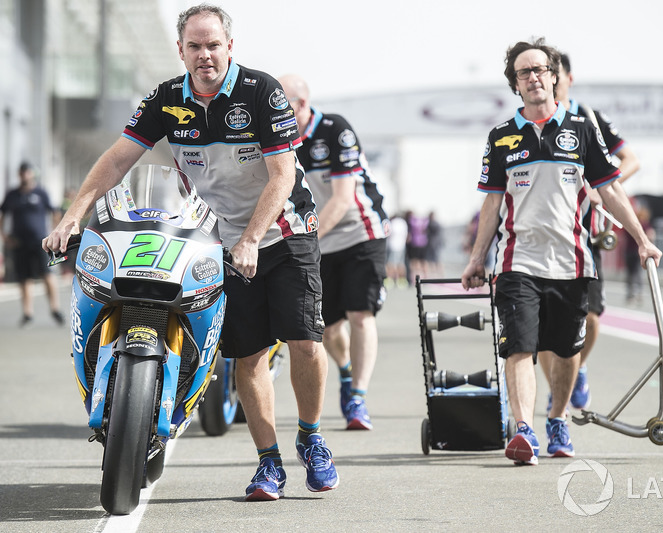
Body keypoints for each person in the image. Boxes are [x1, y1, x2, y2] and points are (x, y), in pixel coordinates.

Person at [42, 4, 338, 501]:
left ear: (229, 47)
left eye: (213, 45)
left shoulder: (261, 92)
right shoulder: (164, 99)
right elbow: (117, 159)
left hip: (284, 233)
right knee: (247, 357)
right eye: (195, 46)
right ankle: (269, 464)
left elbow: (282, 175)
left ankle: (311, 437)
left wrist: (249, 238)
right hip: (218, 241)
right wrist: (73, 215)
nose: (205, 55)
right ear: (180, 50)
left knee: (306, 343)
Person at [461, 37, 661, 465]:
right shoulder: (501, 138)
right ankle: (525, 432)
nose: (532, 78)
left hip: (572, 262)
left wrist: (642, 239)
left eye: (539, 70)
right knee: (519, 348)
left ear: (554, 76)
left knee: (568, 351)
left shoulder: (582, 130)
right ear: (515, 85)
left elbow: (610, 190)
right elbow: (492, 203)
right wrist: (477, 258)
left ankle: (556, 419)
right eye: (523, 73)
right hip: (517, 262)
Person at [278, 74, 389, 431]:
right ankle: (345, 370)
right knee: (326, 328)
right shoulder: (279, 139)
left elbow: (342, 199)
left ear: (301, 104)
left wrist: (305, 238)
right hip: (318, 241)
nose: (275, 111)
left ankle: (357, 397)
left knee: (361, 314)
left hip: (360, 233)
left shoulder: (335, 129)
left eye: (282, 104)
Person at [539, 52, 642, 412]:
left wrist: (601, 189)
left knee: (591, 318)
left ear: (567, 78)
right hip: (543, 239)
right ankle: (556, 392)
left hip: (587, 236)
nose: (548, 80)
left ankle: (576, 370)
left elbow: (631, 160)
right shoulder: (534, 121)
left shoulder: (590, 118)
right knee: (544, 332)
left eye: (554, 73)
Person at [0, 162, 64, 327]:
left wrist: (54, 231)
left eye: (27, 172)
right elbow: (3, 213)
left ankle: (55, 309)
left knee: (47, 273)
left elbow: (54, 212)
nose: (24, 176)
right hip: (19, 242)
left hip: (40, 241)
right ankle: (28, 313)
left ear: (32, 174)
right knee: (24, 277)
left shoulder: (40, 193)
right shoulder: (13, 194)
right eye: (21, 173)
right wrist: (4, 235)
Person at [386, 213, 409, 288]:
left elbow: (389, 233)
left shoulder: (393, 223)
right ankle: (401, 280)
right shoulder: (403, 222)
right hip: (402, 245)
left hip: (393, 245)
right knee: (401, 263)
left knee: (390, 263)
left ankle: (390, 279)